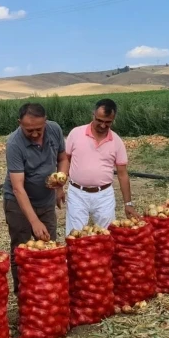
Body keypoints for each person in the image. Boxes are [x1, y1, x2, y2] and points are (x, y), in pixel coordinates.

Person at [3, 103, 69, 293]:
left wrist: (60, 182)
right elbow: (18, 188)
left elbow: (63, 159)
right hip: (18, 204)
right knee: (21, 249)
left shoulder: (54, 130)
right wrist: (34, 221)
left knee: (50, 247)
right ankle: (24, 292)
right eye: (29, 130)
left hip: (46, 200)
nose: (34, 134)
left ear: (46, 122)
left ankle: (49, 289)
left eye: (38, 129)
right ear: (19, 123)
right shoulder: (14, 144)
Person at [64, 98, 138, 235]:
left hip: (104, 195)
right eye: (99, 120)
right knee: (75, 236)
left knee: (106, 235)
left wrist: (128, 204)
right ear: (93, 115)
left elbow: (122, 174)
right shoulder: (76, 134)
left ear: (113, 119)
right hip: (77, 193)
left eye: (108, 122)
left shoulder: (116, 141)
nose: (103, 125)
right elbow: (65, 160)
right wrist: (59, 186)